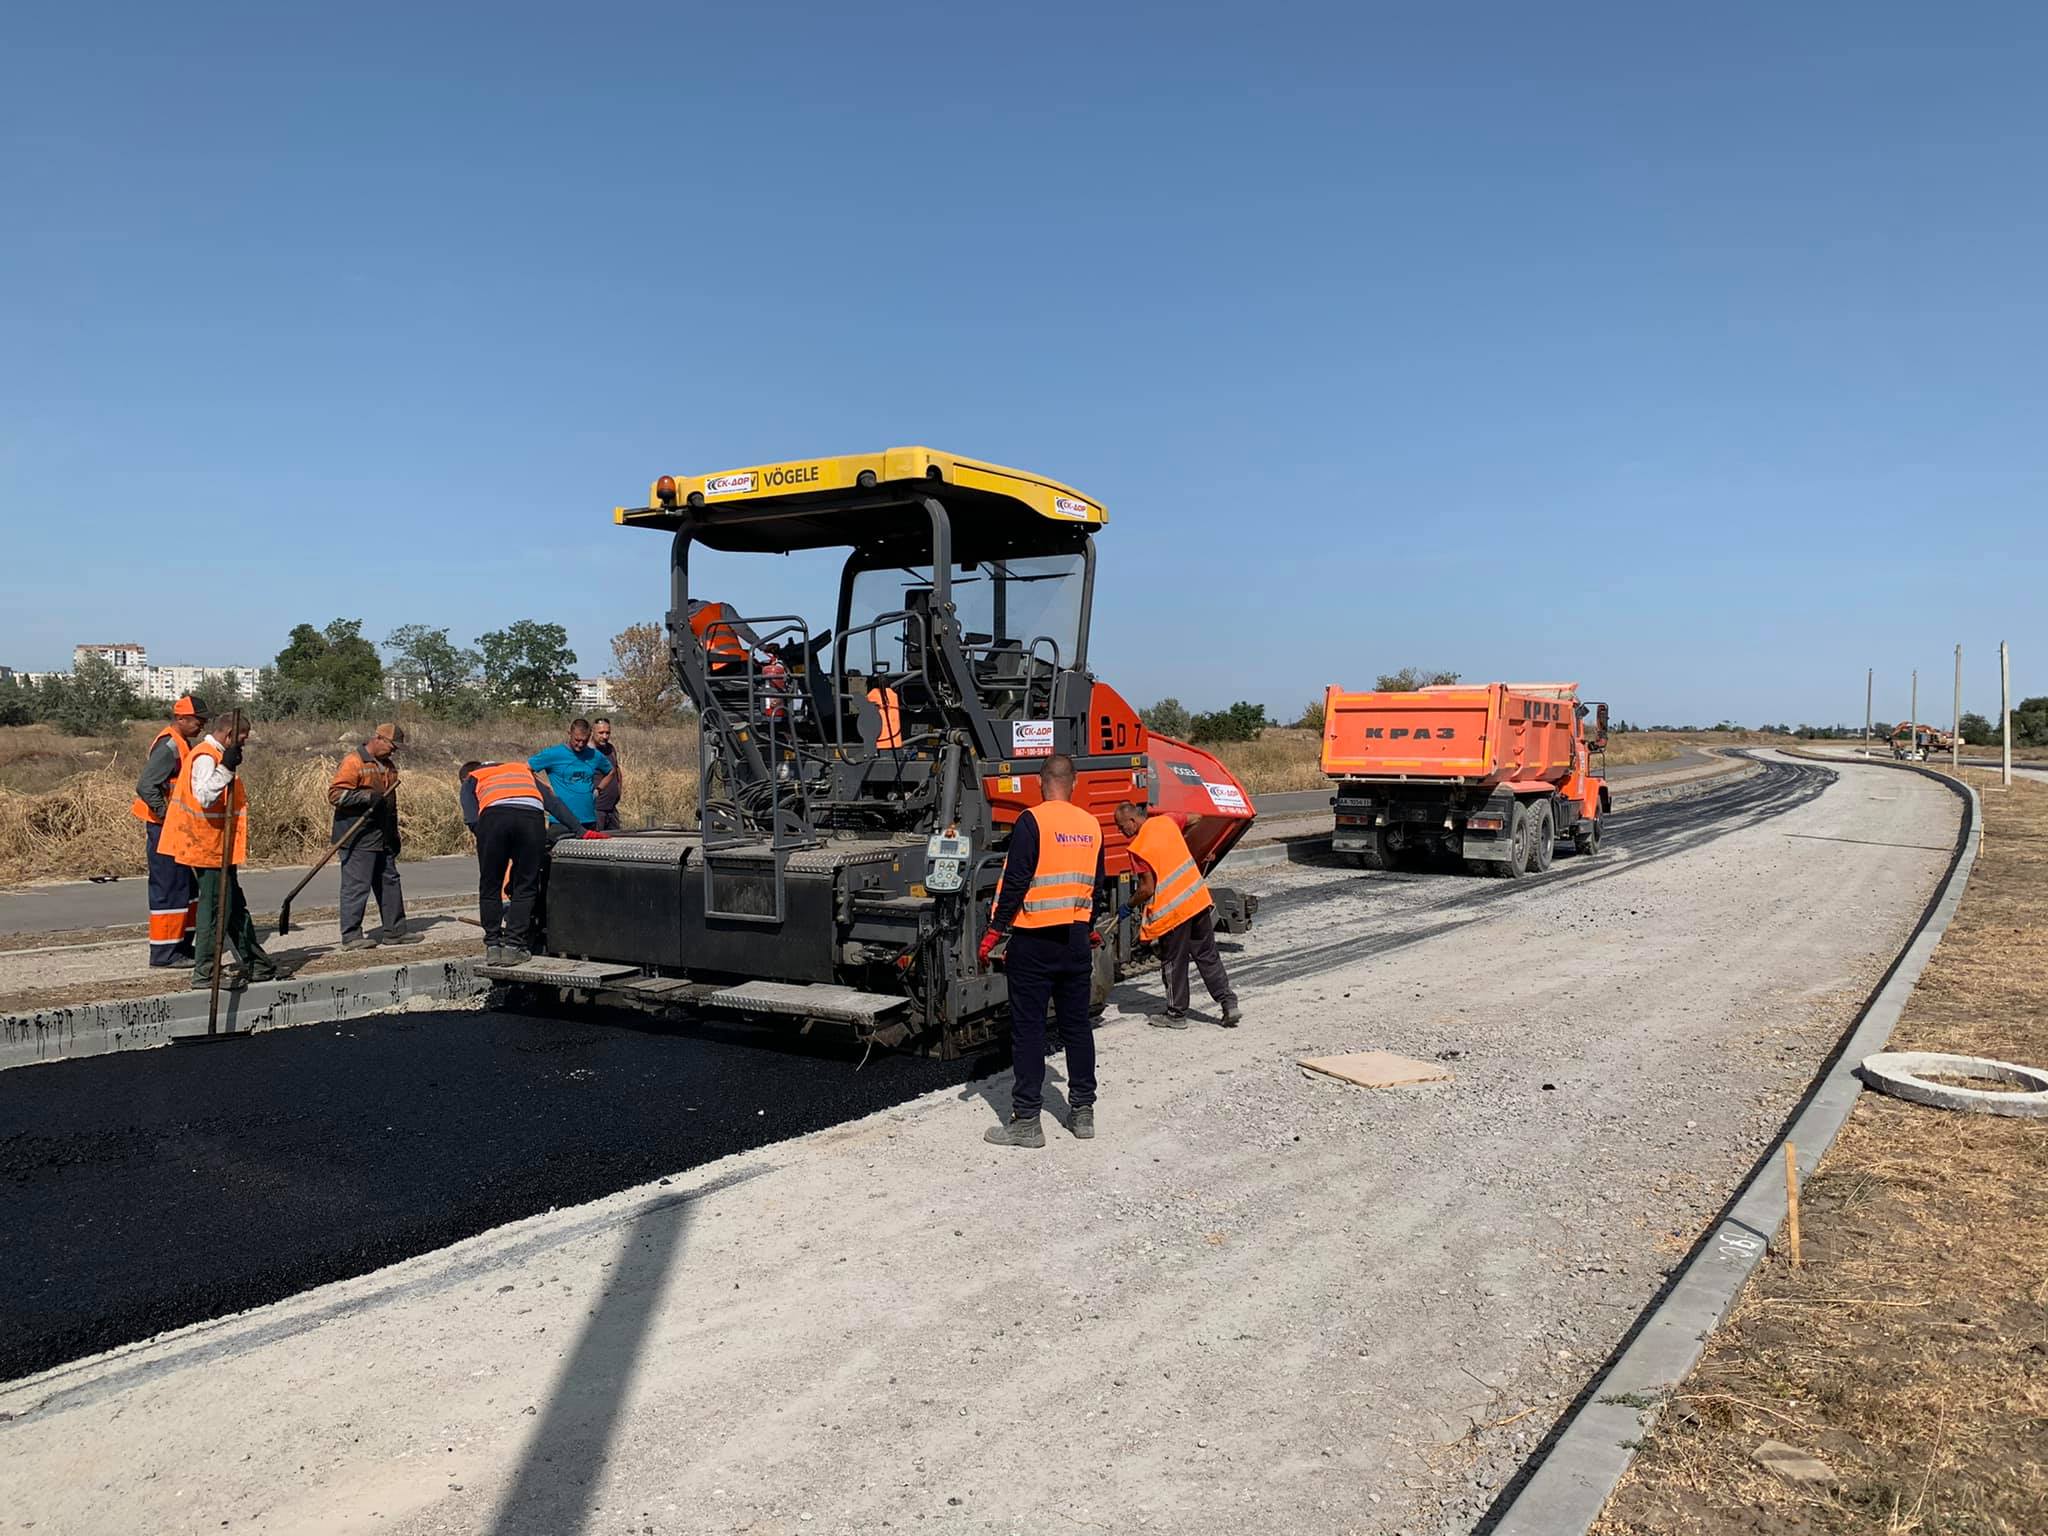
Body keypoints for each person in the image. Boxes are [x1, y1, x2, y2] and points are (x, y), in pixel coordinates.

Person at [978, 754, 1106, 1148]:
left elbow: (1016, 880)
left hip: (1034, 940)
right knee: (1077, 1027)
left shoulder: (1031, 821)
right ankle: (1082, 1112)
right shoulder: (1091, 825)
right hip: (1075, 941)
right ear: (1075, 783)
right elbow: (1096, 885)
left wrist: (995, 930)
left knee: (1030, 1030)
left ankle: (1027, 1122)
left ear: (1039, 782)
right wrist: (1088, 924)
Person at [158, 710, 279, 991]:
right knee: (214, 910)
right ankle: (205, 973)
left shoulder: (215, 755)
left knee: (234, 907)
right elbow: (204, 796)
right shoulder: (205, 757)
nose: (244, 744)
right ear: (227, 735)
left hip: (219, 846)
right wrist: (225, 769)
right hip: (207, 847)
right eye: (242, 739)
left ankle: (256, 964)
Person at [1113, 801, 1242, 1028]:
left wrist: (1128, 905)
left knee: (1174, 962)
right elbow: (1196, 816)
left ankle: (1176, 1014)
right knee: (1207, 955)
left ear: (1133, 821)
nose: (1120, 831)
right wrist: (1183, 841)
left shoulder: (1137, 848)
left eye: (1122, 826)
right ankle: (1229, 1003)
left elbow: (1147, 888)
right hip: (1197, 899)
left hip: (1174, 912)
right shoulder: (1167, 821)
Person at [459, 761, 593, 963]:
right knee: (525, 886)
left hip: (494, 820)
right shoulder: (523, 771)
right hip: (530, 820)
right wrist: (580, 830)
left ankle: (493, 947)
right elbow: (553, 803)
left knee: (490, 885)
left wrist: (487, 837)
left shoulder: (473, 777)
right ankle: (514, 946)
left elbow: (471, 817)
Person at [131, 694, 207, 967]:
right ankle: (164, 954)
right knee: (169, 888)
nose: (202, 726)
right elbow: (146, 786)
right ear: (181, 719)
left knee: (185, 888)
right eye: (198, 720)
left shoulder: (181, 744)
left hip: (176, 828)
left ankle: (182, 947)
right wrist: (166, 817)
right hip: (164, 829)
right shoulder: (169, 746)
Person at [328, 723, 416, 950]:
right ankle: (351, 936)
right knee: (357, 886)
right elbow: (335, 795)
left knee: (390, 881)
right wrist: (367, 797)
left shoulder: (389, 766)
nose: (394, 751)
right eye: (392, 746)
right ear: (378, 739)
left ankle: (395, 931)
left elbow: (390, 804)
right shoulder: (354, 761)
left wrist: (394, 834)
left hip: (382, 834)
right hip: (357, 834)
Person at [528, 719, 605, 830]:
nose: (580, 744)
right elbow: (526, 768)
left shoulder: (594, 755)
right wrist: (545, 786)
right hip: (561, 821)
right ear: (569, 734)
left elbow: (610, 772)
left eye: (585, 740)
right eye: (577, 740)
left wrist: (599, 789)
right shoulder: (553, 753)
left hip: (588, 819)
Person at [591, 718, 623, 831]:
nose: (605, 736)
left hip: (612, 808)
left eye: (607, 733)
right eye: (601, 733)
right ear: (592, 732)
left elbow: (616, 769)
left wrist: (619, 791)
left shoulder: (610, 748)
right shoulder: (588, 752)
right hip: (596, 809)